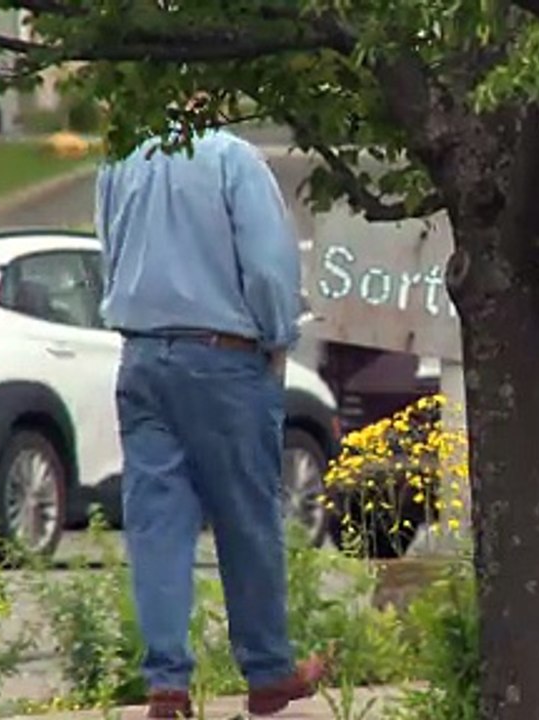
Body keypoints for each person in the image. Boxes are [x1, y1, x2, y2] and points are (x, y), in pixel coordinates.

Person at [95, 109, 326, 718]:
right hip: (222, 357)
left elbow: (108, 251)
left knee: (157, 523)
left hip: (141, 354)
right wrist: (278, 338)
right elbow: (270, 268)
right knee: (247, 517)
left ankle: (167, 682)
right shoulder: (233, 159)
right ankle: (268, 670)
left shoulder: (121, 158)